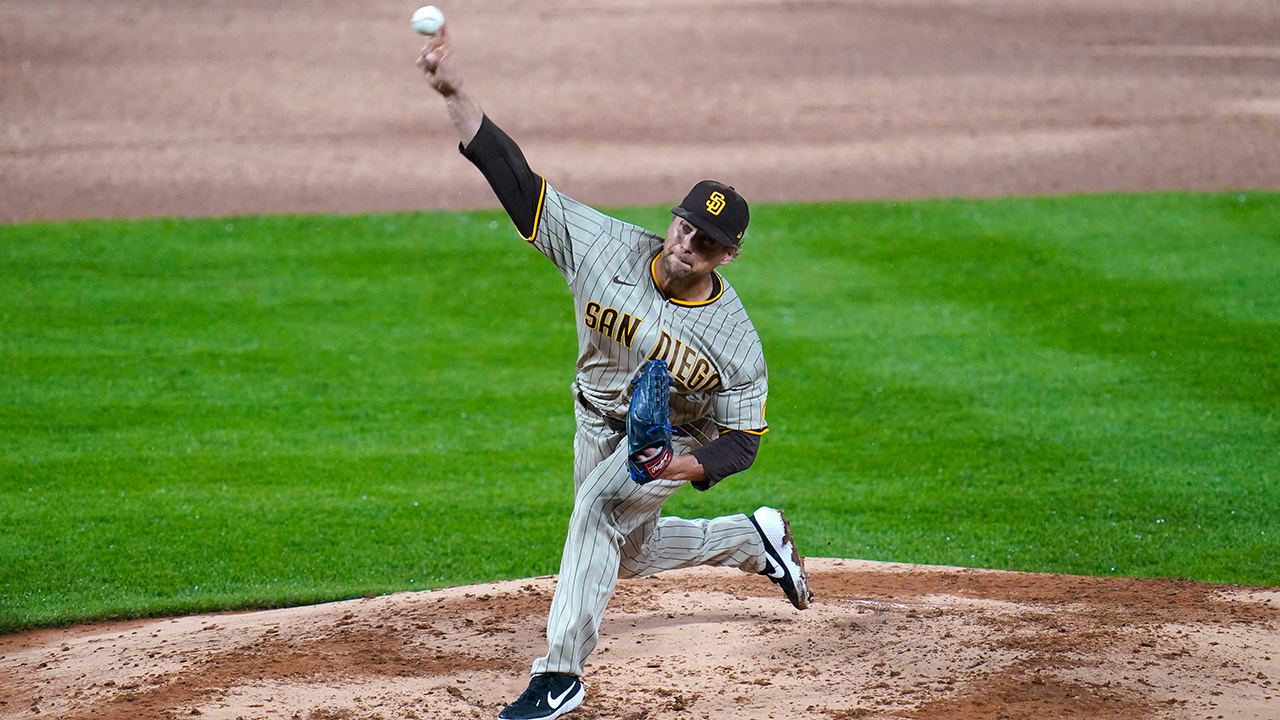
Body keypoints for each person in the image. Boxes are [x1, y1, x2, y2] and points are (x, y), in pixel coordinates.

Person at [417, 24, 813, 720]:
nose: (690, 245)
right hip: (592, 417)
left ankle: (559, 674)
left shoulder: (737, 344)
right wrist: (457, 94)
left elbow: (743, 443)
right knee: (630, 554)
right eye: (688, 227)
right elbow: (515, 177)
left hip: (671, 440)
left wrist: (671, 468)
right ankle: (754, 539)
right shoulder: (603, 247)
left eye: (709, 242)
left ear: (728, 257)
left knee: (598, 510)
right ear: (674, 220)